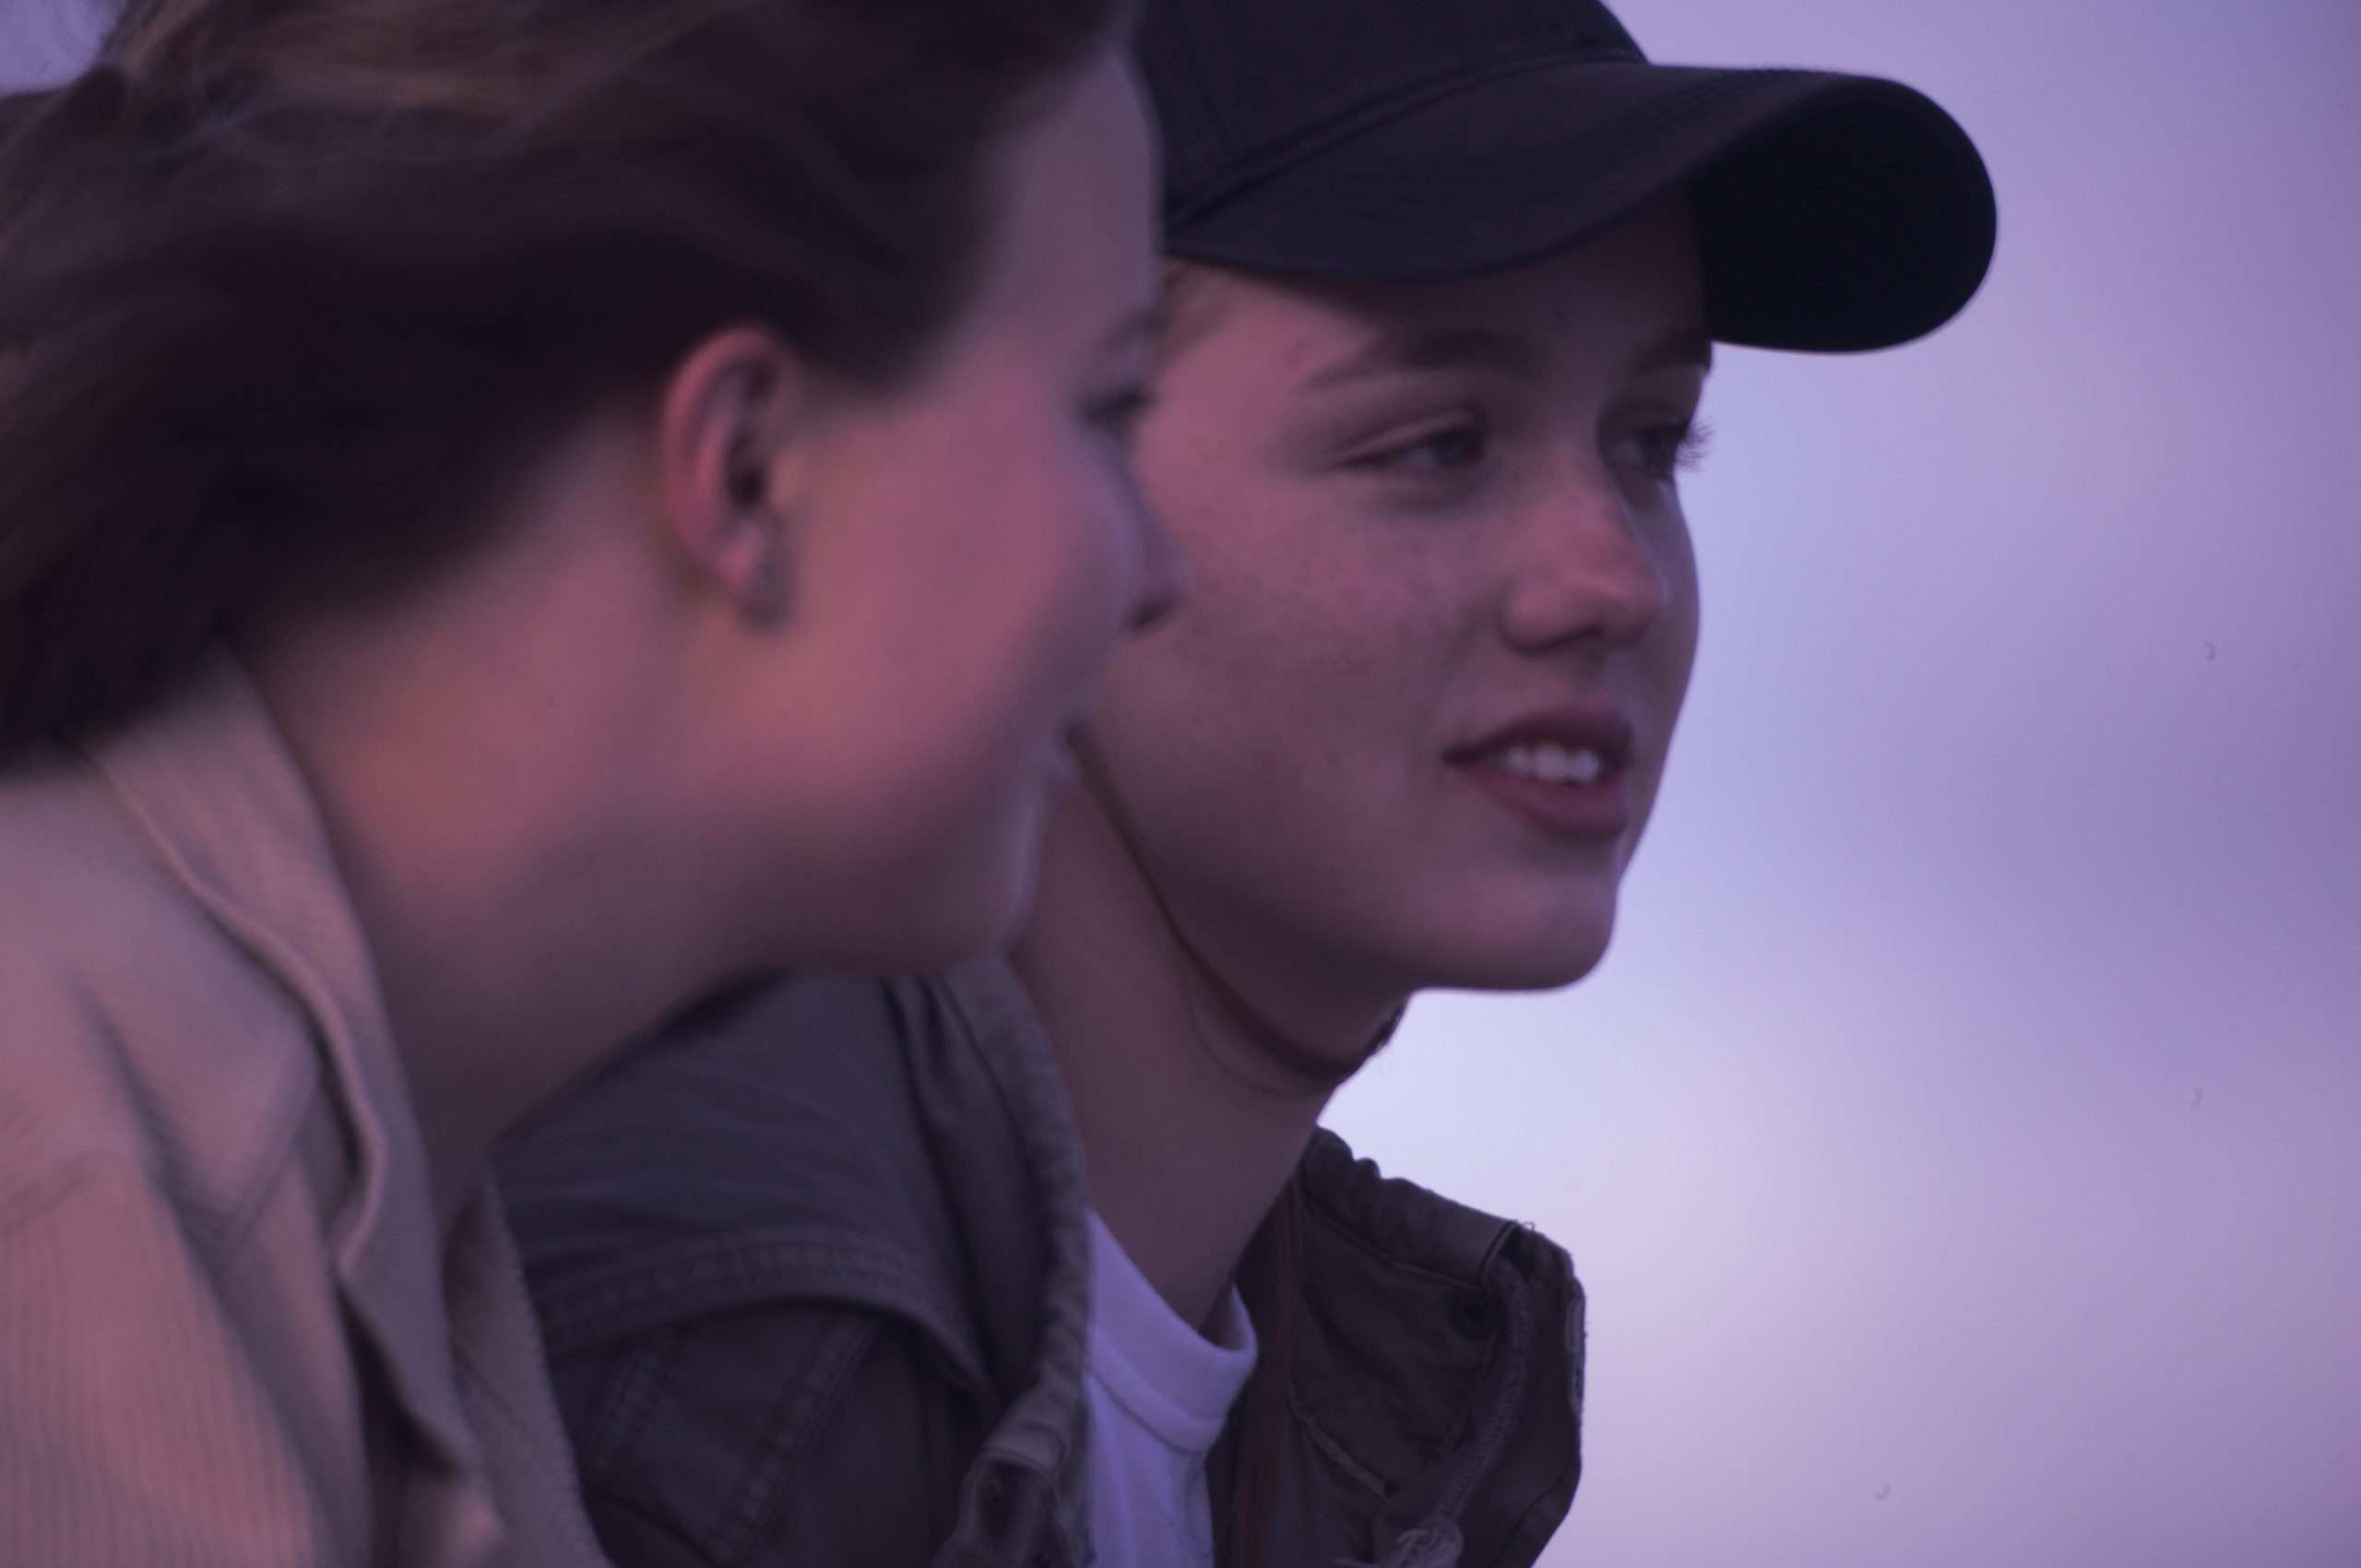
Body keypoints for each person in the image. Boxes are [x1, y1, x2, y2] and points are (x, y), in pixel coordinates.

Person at [499, 0, 1998, 1564]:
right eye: (1437, 442)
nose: (1609, 576)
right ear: (1040, 449)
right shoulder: (714, 1352)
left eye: (1651, 441)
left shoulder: (1340, 1399)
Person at [0, 0, 1177, 1560]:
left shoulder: (353, 1181)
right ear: (749, 465)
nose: (1153, 571)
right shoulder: (104, 1162)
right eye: (1105, 409)